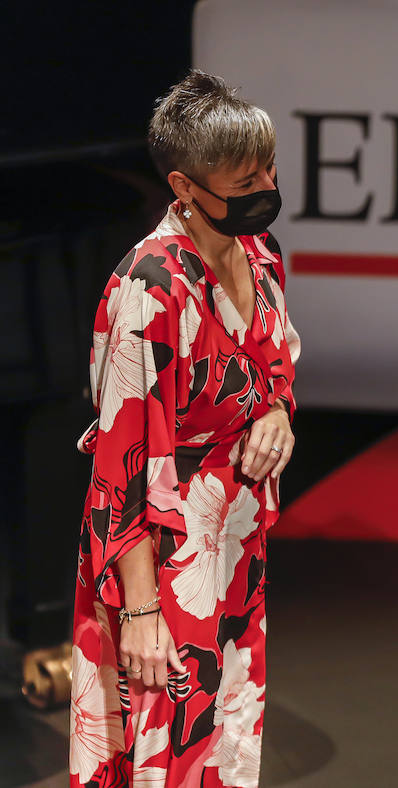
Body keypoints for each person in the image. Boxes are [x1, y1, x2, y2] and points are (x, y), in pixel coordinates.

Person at [68, 71, 300, 788]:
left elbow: (275, 365)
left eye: (267, 166)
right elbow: (121, 464)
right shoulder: (152, 288)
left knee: (228, 739)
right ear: (186, 186)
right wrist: (140, 613)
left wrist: (276, 412)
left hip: (235, 544)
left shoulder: (261, 257)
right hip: (162, 562)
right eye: (243, 176)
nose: (263, 184)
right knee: (164, 753)